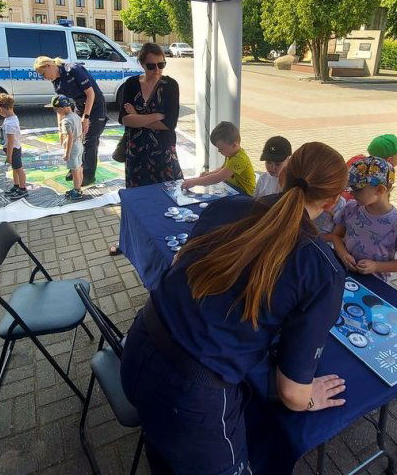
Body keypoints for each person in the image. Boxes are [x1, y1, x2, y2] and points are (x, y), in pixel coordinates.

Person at [120, 142, 350, 474]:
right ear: (333, 201)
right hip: (191, 396)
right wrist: (310, 395)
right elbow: (292, 394)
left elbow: (180, 264)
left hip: (139, 348)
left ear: (283, 174)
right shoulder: (320, 269)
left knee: (162, 448)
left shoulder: (228, 206)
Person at [109, 42, 182, 256]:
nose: (157, 70)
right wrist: (155, 116)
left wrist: (138, 118)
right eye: (152, 66)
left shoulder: (171, 85)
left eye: (162, 64)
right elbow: (124, 119)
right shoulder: (131, 84)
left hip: (163, 152)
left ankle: (167, 238)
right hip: (137, 151)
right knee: (135, 199)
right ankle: (128, 242)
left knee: (168, 195)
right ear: (142, 64)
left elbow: (170, 123)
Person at [331, 156, 397, 280]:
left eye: (357, 189)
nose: (351, 193)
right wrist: (343, 254)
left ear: (380, 190)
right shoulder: (351, 208)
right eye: (350, 188)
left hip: (375, 283)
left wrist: (376, 266)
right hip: (342, 272)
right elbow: (336, 236)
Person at [34, 56, 107, 185]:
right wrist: (61, 128)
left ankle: (89, 175)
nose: (44, 78)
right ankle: (76, 167)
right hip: (80, 106)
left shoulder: (73, 69)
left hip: (95, 105)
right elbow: (60, 106)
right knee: (76, 138)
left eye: (43, 74)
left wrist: (86, 117)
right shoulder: (56, 81)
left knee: (89, 140)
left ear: (48, 65)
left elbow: (91, 94)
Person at [181, 121, 255, 196]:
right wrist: (210, 173)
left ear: (234, 145)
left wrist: (194, 182)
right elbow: (223, 169)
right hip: (234, 190)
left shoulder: (239, 159)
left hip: (245, 195)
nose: (219, 151)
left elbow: (218, 178)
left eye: (221, 149)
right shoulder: (232, 154)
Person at [47, 95, 85, 200]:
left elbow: (69, 138)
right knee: (79, 167)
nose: (57, 113)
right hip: (79, 145)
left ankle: (77, 191)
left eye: (56, 110)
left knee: (74, 170)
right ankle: (79, 188)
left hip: (72, 148)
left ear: (61, 108)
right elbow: (81, 132)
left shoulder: (66, 121)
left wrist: (67, 153)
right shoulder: (76, 116)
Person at [0, 93, 27, 200]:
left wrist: (9, 156)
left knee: (19, 169)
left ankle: (22, 188)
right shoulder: (10, 118)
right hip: (12, 149)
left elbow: (11, 141)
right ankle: (16, 186)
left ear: (1, 109)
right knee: (15, 168)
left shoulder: (10, 123)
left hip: (13, 149)